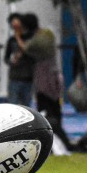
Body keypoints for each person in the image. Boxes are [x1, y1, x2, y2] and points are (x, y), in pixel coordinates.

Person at [21, 13, 71, 151]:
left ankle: (55, 141)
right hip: (52, 78)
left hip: (45, 79)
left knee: (46, 112)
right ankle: (59, 141)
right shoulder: (48, 34)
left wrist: (18, 35)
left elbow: (27, 48)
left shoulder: (40, 39)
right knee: (55, 110)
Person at [5, 14, 34, 108]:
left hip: (27, 77)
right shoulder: (11, 40)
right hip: (14, 77)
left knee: (26, 106)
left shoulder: (30, 37)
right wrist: (11, 61)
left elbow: (32, 54)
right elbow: (6, 58)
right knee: (12, 105)